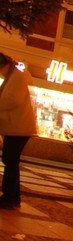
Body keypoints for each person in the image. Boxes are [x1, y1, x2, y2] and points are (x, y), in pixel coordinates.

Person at [0, 54, 37, 209]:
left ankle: (10, 197)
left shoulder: (18, 75)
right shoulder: (16, 74)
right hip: (16, 127)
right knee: (10, 160)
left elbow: (12, 99)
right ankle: (13, 196)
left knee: (10, 160)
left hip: (18, 127)